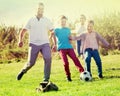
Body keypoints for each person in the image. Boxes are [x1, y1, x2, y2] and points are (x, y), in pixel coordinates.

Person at [17, 3, 56, 82]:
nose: (40, 10)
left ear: (43, 10)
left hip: (45, 43)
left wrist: (55, 44)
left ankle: (46, 79)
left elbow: (53, 32)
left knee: (48, 58)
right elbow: (23, 31)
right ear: (36, 9)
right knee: (31, 63)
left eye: (42, 9)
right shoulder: (31, 20)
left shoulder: (47, 20)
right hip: (33, 44)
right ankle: (23, 70)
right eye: (39, 9)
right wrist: (20, 40)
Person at [50, 16, 84, 81]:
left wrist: (71, 39)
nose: (63, 23)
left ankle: (83, 72)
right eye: (62, 21)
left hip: (69, 47)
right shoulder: (57, 30)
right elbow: (52, 35)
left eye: (64, 21)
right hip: (61, 48)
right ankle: (68, 76)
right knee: (65, 63)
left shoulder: (68, 29)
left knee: (75, 59)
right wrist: (54, 44)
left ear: (66, 22)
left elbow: (70, 37)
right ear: (59, 22)